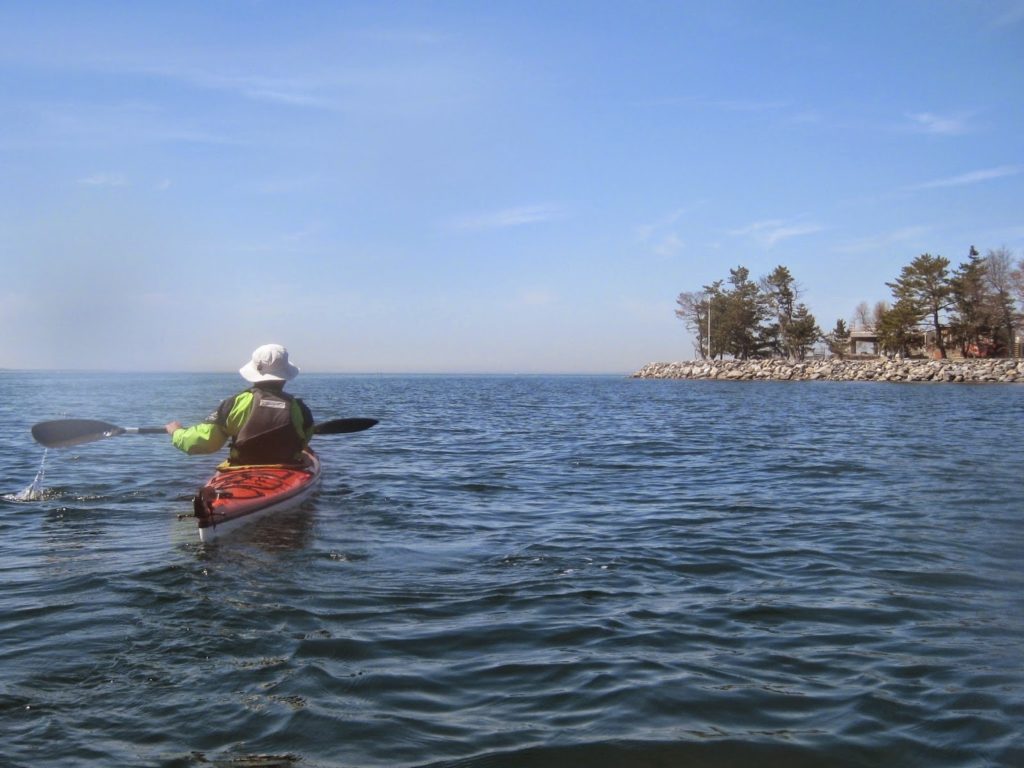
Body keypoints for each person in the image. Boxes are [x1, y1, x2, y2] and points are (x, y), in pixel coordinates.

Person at [165, 344, 314, 465]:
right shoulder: (299, 408)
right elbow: (305, 435)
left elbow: (207, 442)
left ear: (254, 374)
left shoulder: (234, 404)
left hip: (243, 466)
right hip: (287, 467)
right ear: (284, 377)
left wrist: (177, 433)